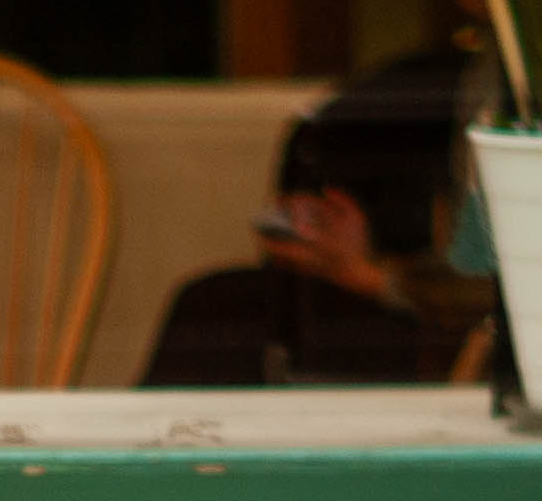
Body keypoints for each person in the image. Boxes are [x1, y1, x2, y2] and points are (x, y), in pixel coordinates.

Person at [140, 48, 501, 387]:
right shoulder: (471, 74)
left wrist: (368, 273)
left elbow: (482, 288)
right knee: (214, 307)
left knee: (221, 315)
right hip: (397, 283)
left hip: (431, 312)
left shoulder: (508, 78)